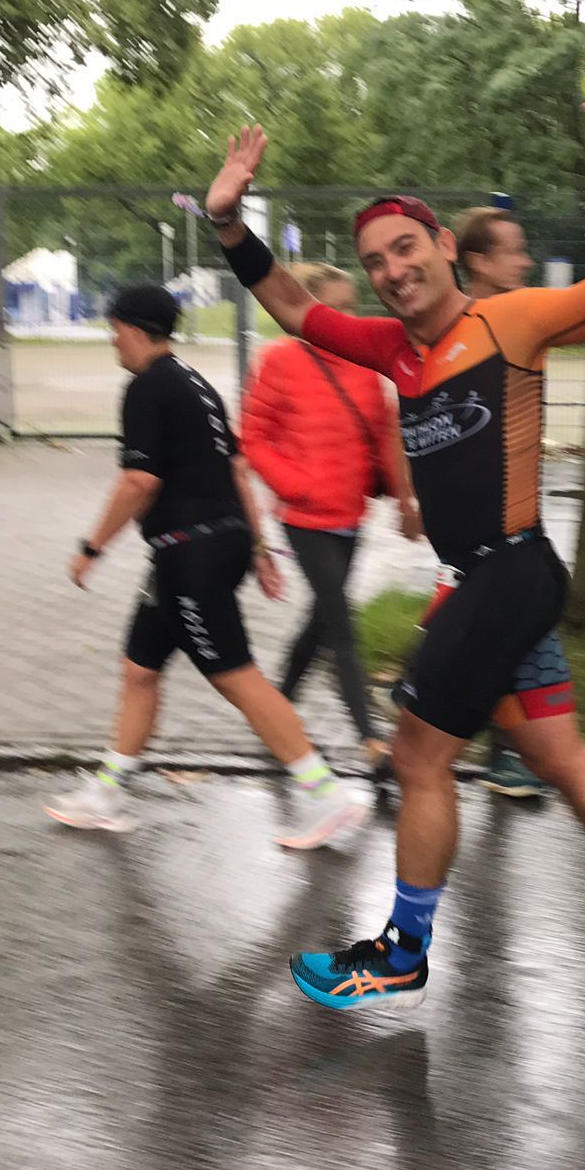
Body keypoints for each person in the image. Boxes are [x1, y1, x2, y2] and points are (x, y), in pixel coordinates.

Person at [202, 59, 585, 1009]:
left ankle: (402, 949)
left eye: (408, 248)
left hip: (510, 578)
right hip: (485, 581)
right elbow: (292, 305)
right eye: (380, 262)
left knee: (419, 754)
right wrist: (230, 225)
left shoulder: (507, 320)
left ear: (443, 244)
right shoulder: (395, 349)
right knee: (559, 755)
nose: (395, 270)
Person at [44, 282, 366, 848]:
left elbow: (140, 480)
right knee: (139, 668)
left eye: (114, 327)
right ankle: (107, 792)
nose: (111, 339)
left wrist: (91, 547)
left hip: (191, 554)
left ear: (137, 329)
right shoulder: (196, 384)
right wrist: (259, 547)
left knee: (236, 675)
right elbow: (236, 469)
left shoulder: (147, 388)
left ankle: (327, 795)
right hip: (196, 549)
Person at [241, 260, 422, 782]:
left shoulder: (367, 367)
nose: (348, 316)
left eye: (352, 305)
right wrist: (295, 486)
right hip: (304, 517)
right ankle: (370, 739)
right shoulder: (279, 361)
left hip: (350, 514)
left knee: (321, 621)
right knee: (340, 623)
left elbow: (386, 439)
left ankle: (276, 711)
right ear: (308, 310)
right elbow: (253, 437)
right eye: (335, 307)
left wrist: (405, 502)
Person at [452, 207, 546, 804]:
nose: (527, 260)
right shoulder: (451, 328)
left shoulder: (520, 319)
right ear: (479, 262)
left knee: (506, 638)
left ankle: (501, 752)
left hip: (517, 524)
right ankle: (505, 753)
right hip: (478, 529)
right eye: (515, 250)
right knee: (505, 639)